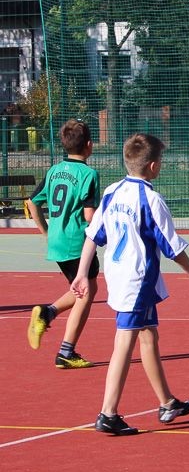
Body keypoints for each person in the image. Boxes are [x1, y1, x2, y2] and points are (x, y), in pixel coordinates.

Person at [71, 133, 189, 435]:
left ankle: (167, 402)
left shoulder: (112, 191)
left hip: (117, 275)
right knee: (124, 342)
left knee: (148, 336)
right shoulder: (151, 199)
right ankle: (108, 412)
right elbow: (172, 246)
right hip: (137, 280)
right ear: (154, 166)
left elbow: (93, 236)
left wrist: (82, 273)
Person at [25, 119, 101, 368]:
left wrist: (45, 232)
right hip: (76, 241)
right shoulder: (89, 174)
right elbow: (90, 216)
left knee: (84, 288)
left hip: (57, 242)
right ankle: (66, 352)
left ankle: (47, 313)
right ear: (89, 145)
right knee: (85, 293)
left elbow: (32, 201)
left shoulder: (54, 170)